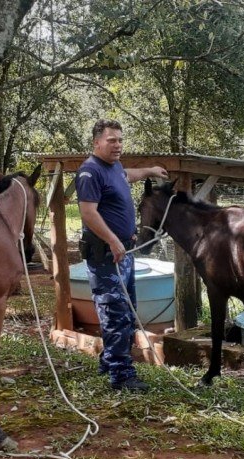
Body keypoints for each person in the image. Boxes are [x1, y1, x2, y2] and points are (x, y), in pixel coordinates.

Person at [76, 119, 168, 392]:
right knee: (114, 313)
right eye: (111, 140)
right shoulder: (89, 173)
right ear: (96, 143)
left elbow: (127, 175)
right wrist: (114, 241)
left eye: (120, 140)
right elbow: (88, 212)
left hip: (123, 252)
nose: (117, 145)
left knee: (126, 310)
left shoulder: (113, 167)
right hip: (107, 255)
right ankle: (121, 375)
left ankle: (109, 360)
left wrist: (150, 170)